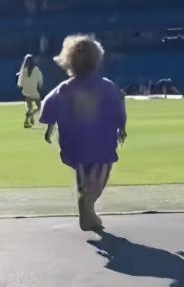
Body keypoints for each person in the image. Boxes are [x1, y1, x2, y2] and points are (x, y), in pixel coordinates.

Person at [39, 34, 128, 232]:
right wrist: (122, 127)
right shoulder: (106, 86)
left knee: (83, 175)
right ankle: (87, 205)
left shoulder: (64, 88)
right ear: (97, 60)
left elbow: (49, 106)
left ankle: (87, 213)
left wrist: (50, 127)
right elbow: (118, 105)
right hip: (101, 142)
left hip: (74, 143)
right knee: (99, 178)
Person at [16, 54, 44, 128]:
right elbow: (40, 81)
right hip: (34, 93)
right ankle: (31, 115)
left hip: (26, 92)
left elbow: (20, 84)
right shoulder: (36, 69)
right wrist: (39, 86)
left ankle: (27, 120)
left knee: (29, 108)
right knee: (39, 107)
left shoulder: (23, 71)